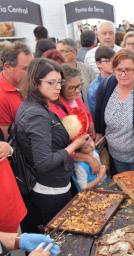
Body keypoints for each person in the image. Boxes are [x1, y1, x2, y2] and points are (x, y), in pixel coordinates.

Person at [15, 58, 90, 232]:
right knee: (60, 236)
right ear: (35, 83)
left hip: (46, 186)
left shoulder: (31, 105)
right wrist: (74, 145)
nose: (58, 87)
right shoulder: (36, 114)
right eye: (51, 82)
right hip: (50, 189)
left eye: (59, 82)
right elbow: (44, 162)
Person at [49, 64, 94, 137]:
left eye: (78, 86)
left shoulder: (76, 98)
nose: (77, 91)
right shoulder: (55, 107)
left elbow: (86, 113)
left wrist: (90, 122)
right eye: (71, 88)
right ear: (61, 87)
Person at [0, 42, 33, 140]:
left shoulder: (27, 82)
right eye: (26, 68)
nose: (32, 72)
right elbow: (7, 139)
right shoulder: (1, 96)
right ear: (7, 67)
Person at [56, 38, 96, 107]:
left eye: (62, 51)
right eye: (57, 52)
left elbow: (95, 92)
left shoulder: (87, 69)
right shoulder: (57, 73)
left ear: (74, 52)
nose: (58, 55)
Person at [87, 46, 115, 118]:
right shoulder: (94, 88)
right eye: (108, 61)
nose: (113, 63)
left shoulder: (121, 81)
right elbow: (96, 115)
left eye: (114, 60)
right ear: (98, 63)